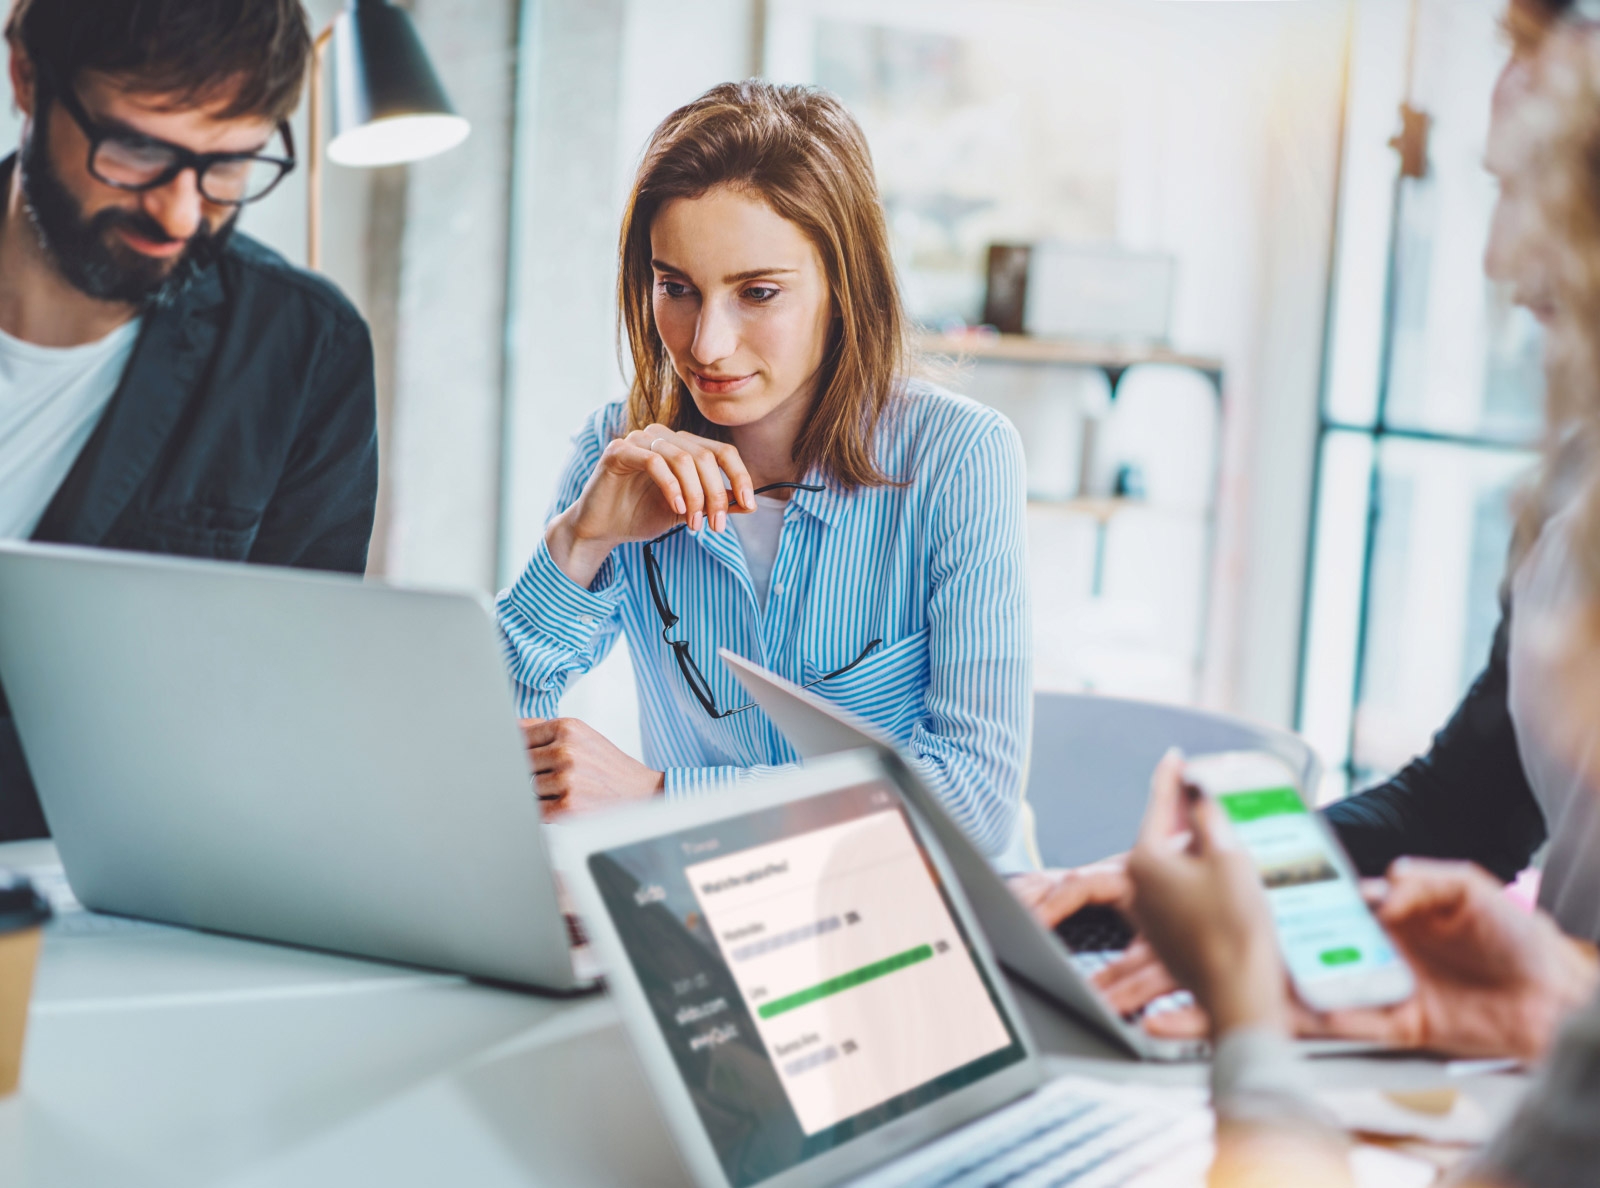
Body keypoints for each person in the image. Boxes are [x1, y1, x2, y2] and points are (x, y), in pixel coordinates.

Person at [1013, 0, 1600, 1045]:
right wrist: (1236, 874)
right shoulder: (1571, 487)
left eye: (1546, 199)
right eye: (1496, 191)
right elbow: (1463, 807)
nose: (1498, 260)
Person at [497, 81, 1032, 861]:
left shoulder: (958, 460)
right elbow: (483, 749)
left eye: (758, 293)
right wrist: (578, 544)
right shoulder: (618, 452)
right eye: (675, 288)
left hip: (925, 920)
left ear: (844, 291)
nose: (706, 343)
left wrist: (657, 801)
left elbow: (974, 805)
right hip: (716, 918)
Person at [0, 0, 379, 842]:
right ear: (27, 75)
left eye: (229, 165)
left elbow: (283, 706)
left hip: (110, 894)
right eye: (137, 149)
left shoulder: (305, 353)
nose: (178, 215)